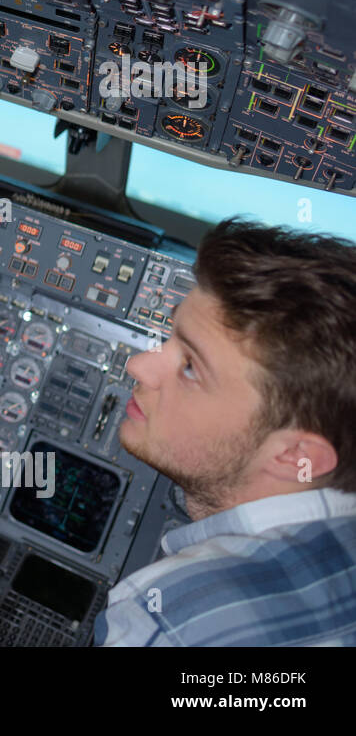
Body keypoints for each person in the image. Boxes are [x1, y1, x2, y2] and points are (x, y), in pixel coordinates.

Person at [96, 217, 356, 646]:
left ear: (297, 457)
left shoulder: (166, 620)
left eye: (191, 367)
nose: (138, 366)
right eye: (170, 338)